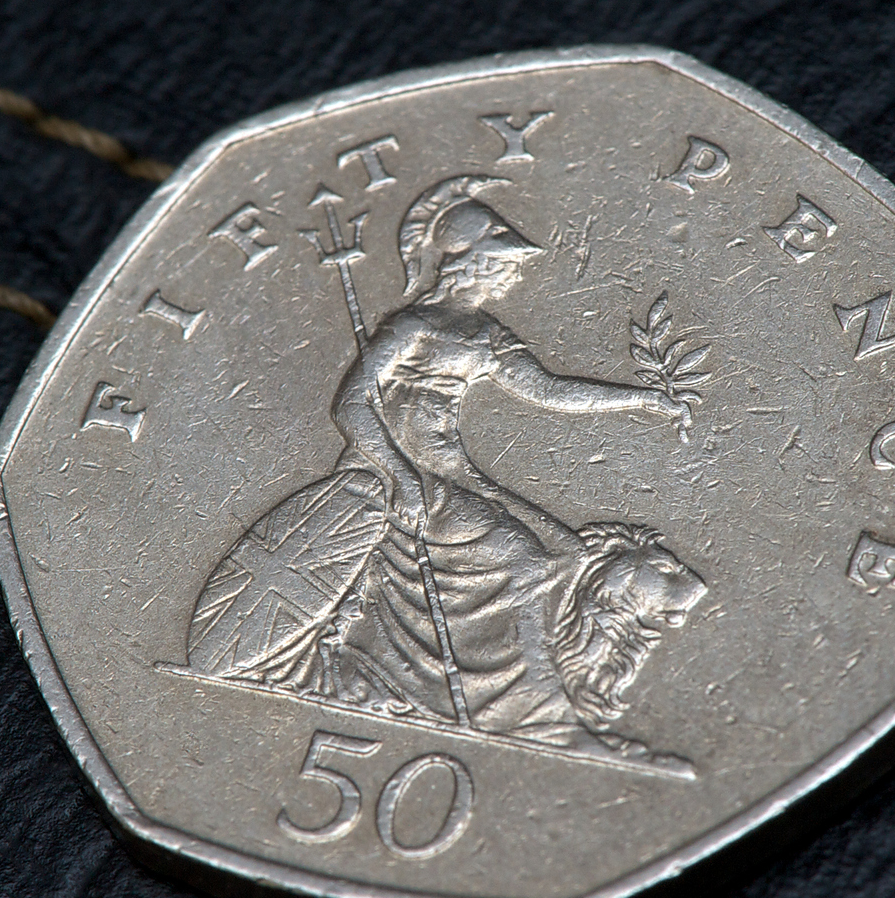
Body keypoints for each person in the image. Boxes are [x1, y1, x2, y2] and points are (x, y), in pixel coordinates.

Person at [185, 175, 691, 754]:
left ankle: (527, 700)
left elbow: (549, 392)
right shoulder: (413, 326)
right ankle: (525, 715)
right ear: (468, 260)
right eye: (504, 261)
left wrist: (640, 398)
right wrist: (399, 475)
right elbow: (351, 406)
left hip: (452, 474)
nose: (513, 274)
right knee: (524, 561)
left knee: (568, 555)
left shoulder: (486, 334)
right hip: (384, 477)